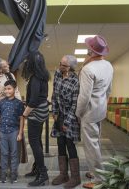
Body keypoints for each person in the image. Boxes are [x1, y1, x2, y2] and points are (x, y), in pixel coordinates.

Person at [75, 36, 114, 189]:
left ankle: (98, 179)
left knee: (91, 146)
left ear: (90, 51)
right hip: (101, 109)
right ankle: (96, 172)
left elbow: (84, 96)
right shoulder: (109, 65)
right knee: (96, 143)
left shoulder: (88, 69)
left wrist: (78, 113)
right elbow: (109, 90)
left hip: (89, 111)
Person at [51, 55, 81, 188]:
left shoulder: (75, 82)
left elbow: (75, 105)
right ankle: (63, 174)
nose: (60, 66)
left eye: (63, 65)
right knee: (60, 144)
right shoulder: (58, 74)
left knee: (70, 145)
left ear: (70, 68)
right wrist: (54, 112)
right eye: (60, 63)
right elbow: (54, 95)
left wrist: (66, 123)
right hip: (59, 115)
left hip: (70, 118)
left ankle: (76, 177)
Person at [22, 51, 50, 187]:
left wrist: (24, 114)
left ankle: (43, 174)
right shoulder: (43, 75)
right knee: (37, 140)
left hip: (36, 111)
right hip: (43, 109)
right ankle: (38, 168)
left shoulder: (35, 78)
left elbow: (32, 101)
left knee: (34, 142)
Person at [0, 80, 24, 183]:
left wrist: (20, 133)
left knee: (14, 154)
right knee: (4, 153)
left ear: (14, 89)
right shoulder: (1, 102)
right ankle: (3, 175)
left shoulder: (19, 103)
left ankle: (13, 175)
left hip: (14, 132)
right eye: (5, 89)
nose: (7, 91)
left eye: (9, 89)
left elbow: (21, 119)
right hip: (2, 131)